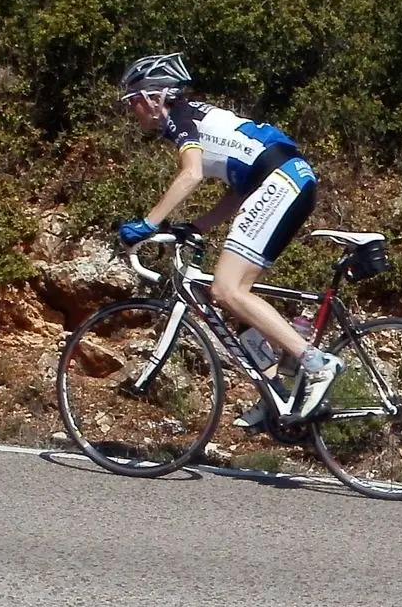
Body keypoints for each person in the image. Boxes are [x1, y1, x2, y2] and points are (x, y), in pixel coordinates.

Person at [117, 52, 344, 427]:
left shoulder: (182, 120)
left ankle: (315, 363)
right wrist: (198, 227)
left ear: (156, 98)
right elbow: (239, 190)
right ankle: (277, 394)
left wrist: (147, 222)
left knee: (227, 290)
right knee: (233, 297)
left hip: (280, 181)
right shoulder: (202, 118)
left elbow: (190, 176)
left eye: (135, 103)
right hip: (288, 178)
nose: (134, 112)